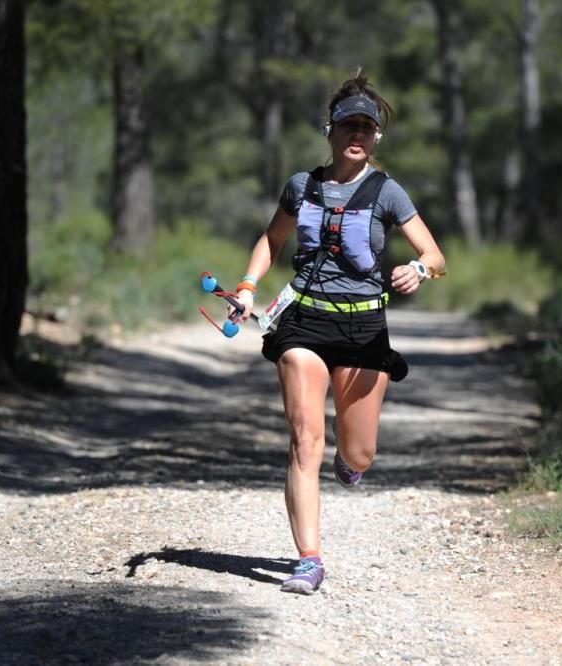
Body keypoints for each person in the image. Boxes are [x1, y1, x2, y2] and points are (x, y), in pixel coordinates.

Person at [230, 67, 446, 595]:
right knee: (305, 440)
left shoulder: (387, 192)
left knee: (359, 452)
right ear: (328, 130)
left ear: (376, 138)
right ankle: (307, 559)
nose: (357, 136)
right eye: (347, 126)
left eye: (366, 129)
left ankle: (349, 465)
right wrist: (247, 286)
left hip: (363, 327)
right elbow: (270, 241)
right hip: (303, 320)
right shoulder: (301, 187)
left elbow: (435, 255)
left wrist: (418, 271)